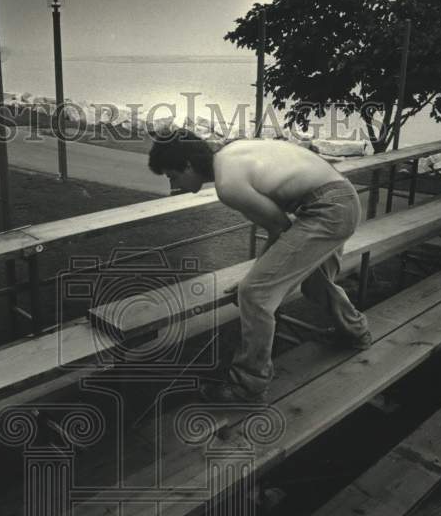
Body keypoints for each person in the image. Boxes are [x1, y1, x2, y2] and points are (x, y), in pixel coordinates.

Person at [148, 130, 370, 403]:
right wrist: (258, 275)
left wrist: (253, 281)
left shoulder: (228, 185)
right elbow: (282, 233)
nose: (174, 184)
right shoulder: (230, 154)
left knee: (255, 295)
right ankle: (356, 332)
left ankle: (248, 385)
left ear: (188, 165)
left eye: (173, 175)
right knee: (313, 284)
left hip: (328, 210)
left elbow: (280, 227)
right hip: (342, 198)